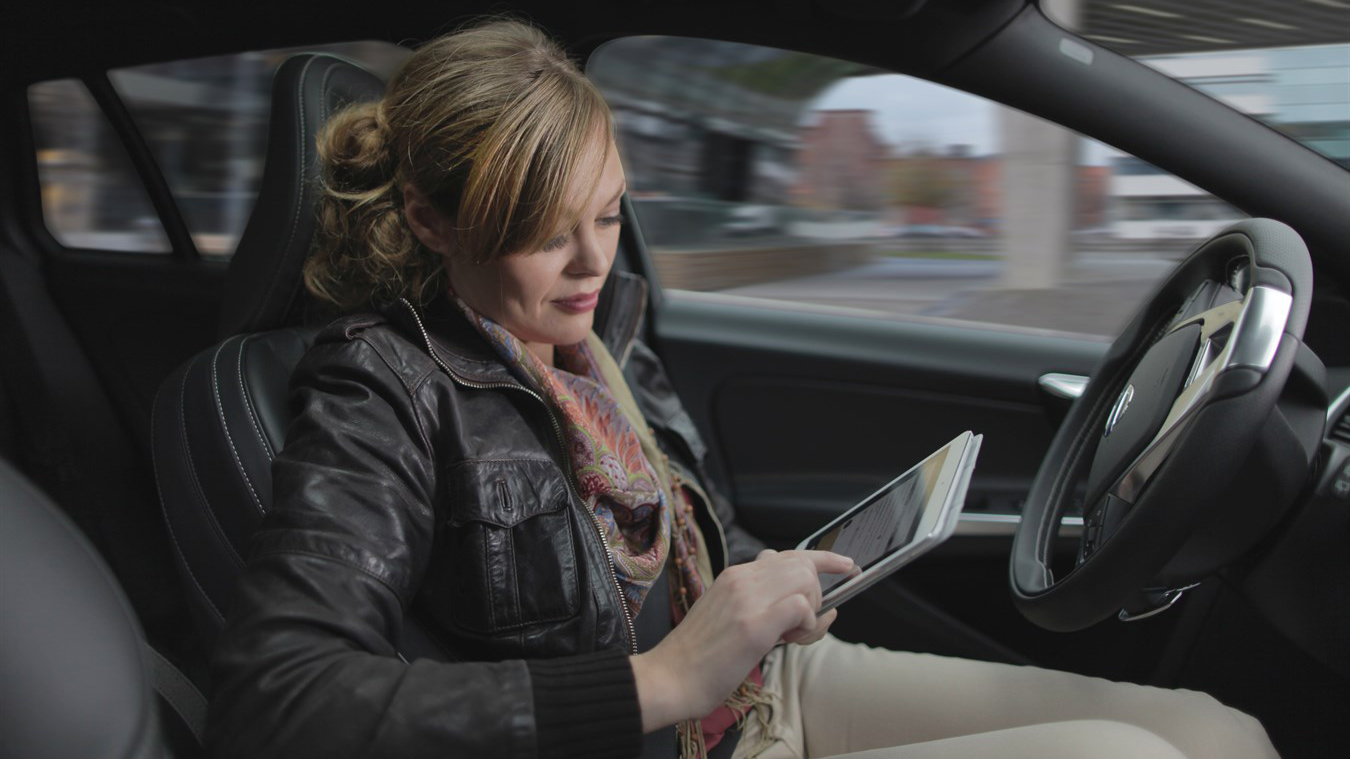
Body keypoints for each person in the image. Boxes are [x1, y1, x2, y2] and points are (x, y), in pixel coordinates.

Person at [206, 19, 1279, 759]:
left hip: (762, 692)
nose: (590, 261)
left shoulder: (596, 328)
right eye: (539, 229)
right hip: (670, 733)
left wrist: (753, 594)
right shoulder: (380, 387)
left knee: (1216, 732)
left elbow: (658, 551)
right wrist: (665, 679)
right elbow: (278, 700)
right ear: (434, 222)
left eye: (609, 212)